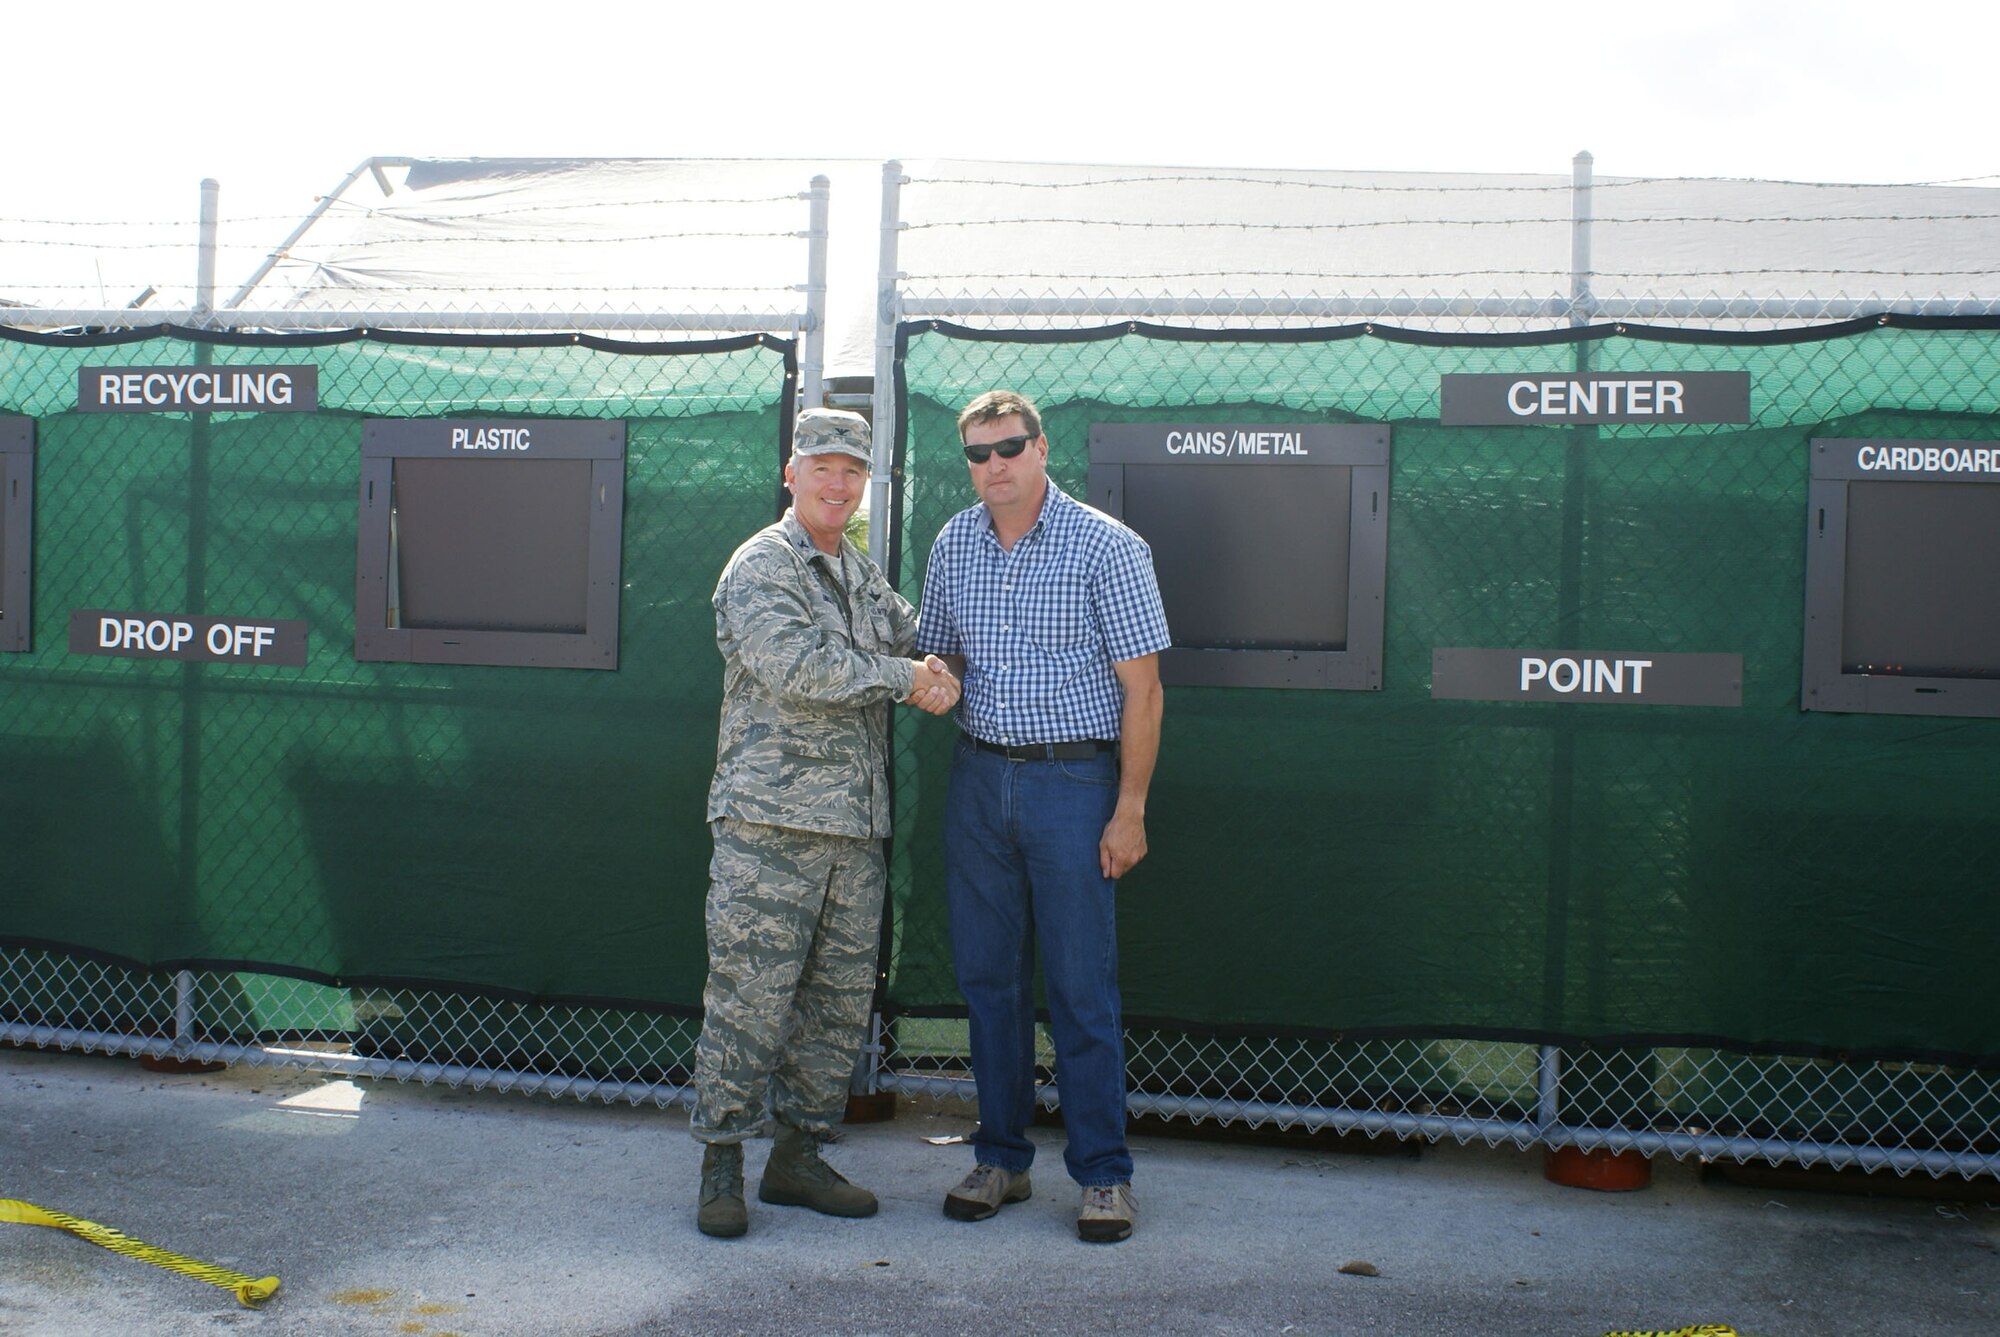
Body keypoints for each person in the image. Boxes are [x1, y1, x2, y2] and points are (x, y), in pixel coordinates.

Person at [691, 406, 959, 1239]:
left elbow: (916, 634)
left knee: (839, 1002)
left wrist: (938, 666)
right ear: (792, 474)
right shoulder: (762, 565)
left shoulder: (858, 570)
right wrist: (906, 677)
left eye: (853, 470)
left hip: (854, 830)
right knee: (750, 997)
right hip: (769, 827)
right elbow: (796, 665)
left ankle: (798, 1155)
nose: (839, 484)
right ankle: (723, 1162)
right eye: (824, 468)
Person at [916, 389, 1169, 1244]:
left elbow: (1145, 688)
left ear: (1041, 446)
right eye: (979, 454)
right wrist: (936, 674)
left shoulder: (1108, 546)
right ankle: (1001, 1159)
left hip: (1074, 786)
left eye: (1009, 447)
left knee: (1078, 986)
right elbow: (943, 647)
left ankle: (1103, 1175)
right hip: (980, 782)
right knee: (988, 981)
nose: (994, 466)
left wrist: (1128, 808)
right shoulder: (954, 540)